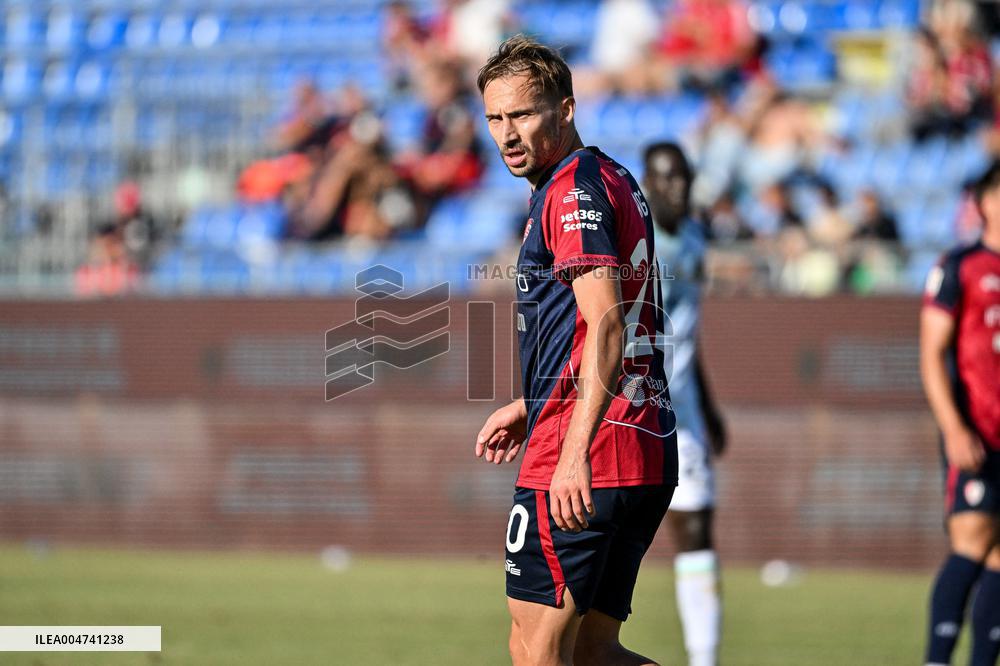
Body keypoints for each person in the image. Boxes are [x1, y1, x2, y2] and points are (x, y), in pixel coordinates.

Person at [473, 36, 677, 666]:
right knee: (593, 654)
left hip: (590, 450)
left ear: (565, 109)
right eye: (495, 118)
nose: (507, 134)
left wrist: (572, 450)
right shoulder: (609, 175)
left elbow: (608, 325)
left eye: (523, 114)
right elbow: (598, 328)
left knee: (537, 650)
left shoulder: (571, 192)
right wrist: (533, 403)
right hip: (639, 442)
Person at [642, 143, 727, 666]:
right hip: (634, 406)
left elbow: (689, 331)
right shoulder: (637, 243)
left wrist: (708, 406)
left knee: (696, 527)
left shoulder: (695, 237)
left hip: (686, 409)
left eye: (683, 178)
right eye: (665, 178)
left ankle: (703, 658)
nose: (677, 188)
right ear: (647, 183)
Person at [921, 162, 1000, 666]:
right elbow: (931, 352)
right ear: (986, 203)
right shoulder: (961, 265)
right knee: (971, 541)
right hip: (977, 431)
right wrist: (954, 427)